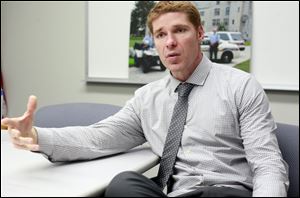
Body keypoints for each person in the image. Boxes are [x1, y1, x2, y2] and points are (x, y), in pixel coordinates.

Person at [1, 1, 289, 197]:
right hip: (175, 192)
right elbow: (97, 138)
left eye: (180, 30)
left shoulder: (240, 86)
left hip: (225, 191)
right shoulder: (147, 98)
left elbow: (267, 163)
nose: (170, 42)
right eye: (161, 34)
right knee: (123, 185)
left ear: (200, 33)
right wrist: (36, 135)